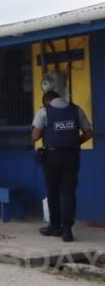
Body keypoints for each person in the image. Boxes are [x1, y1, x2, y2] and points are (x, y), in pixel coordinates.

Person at [33, 90, 93, 242]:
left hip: (52, 156)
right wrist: (73, 143)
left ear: (46, 101)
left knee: (53, 191)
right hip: (72, 156)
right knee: (68, 192)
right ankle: (67, 230)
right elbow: (88, 133)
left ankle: (55, 226)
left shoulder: (44, 111)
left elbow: (35, 136)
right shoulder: (76, 109)